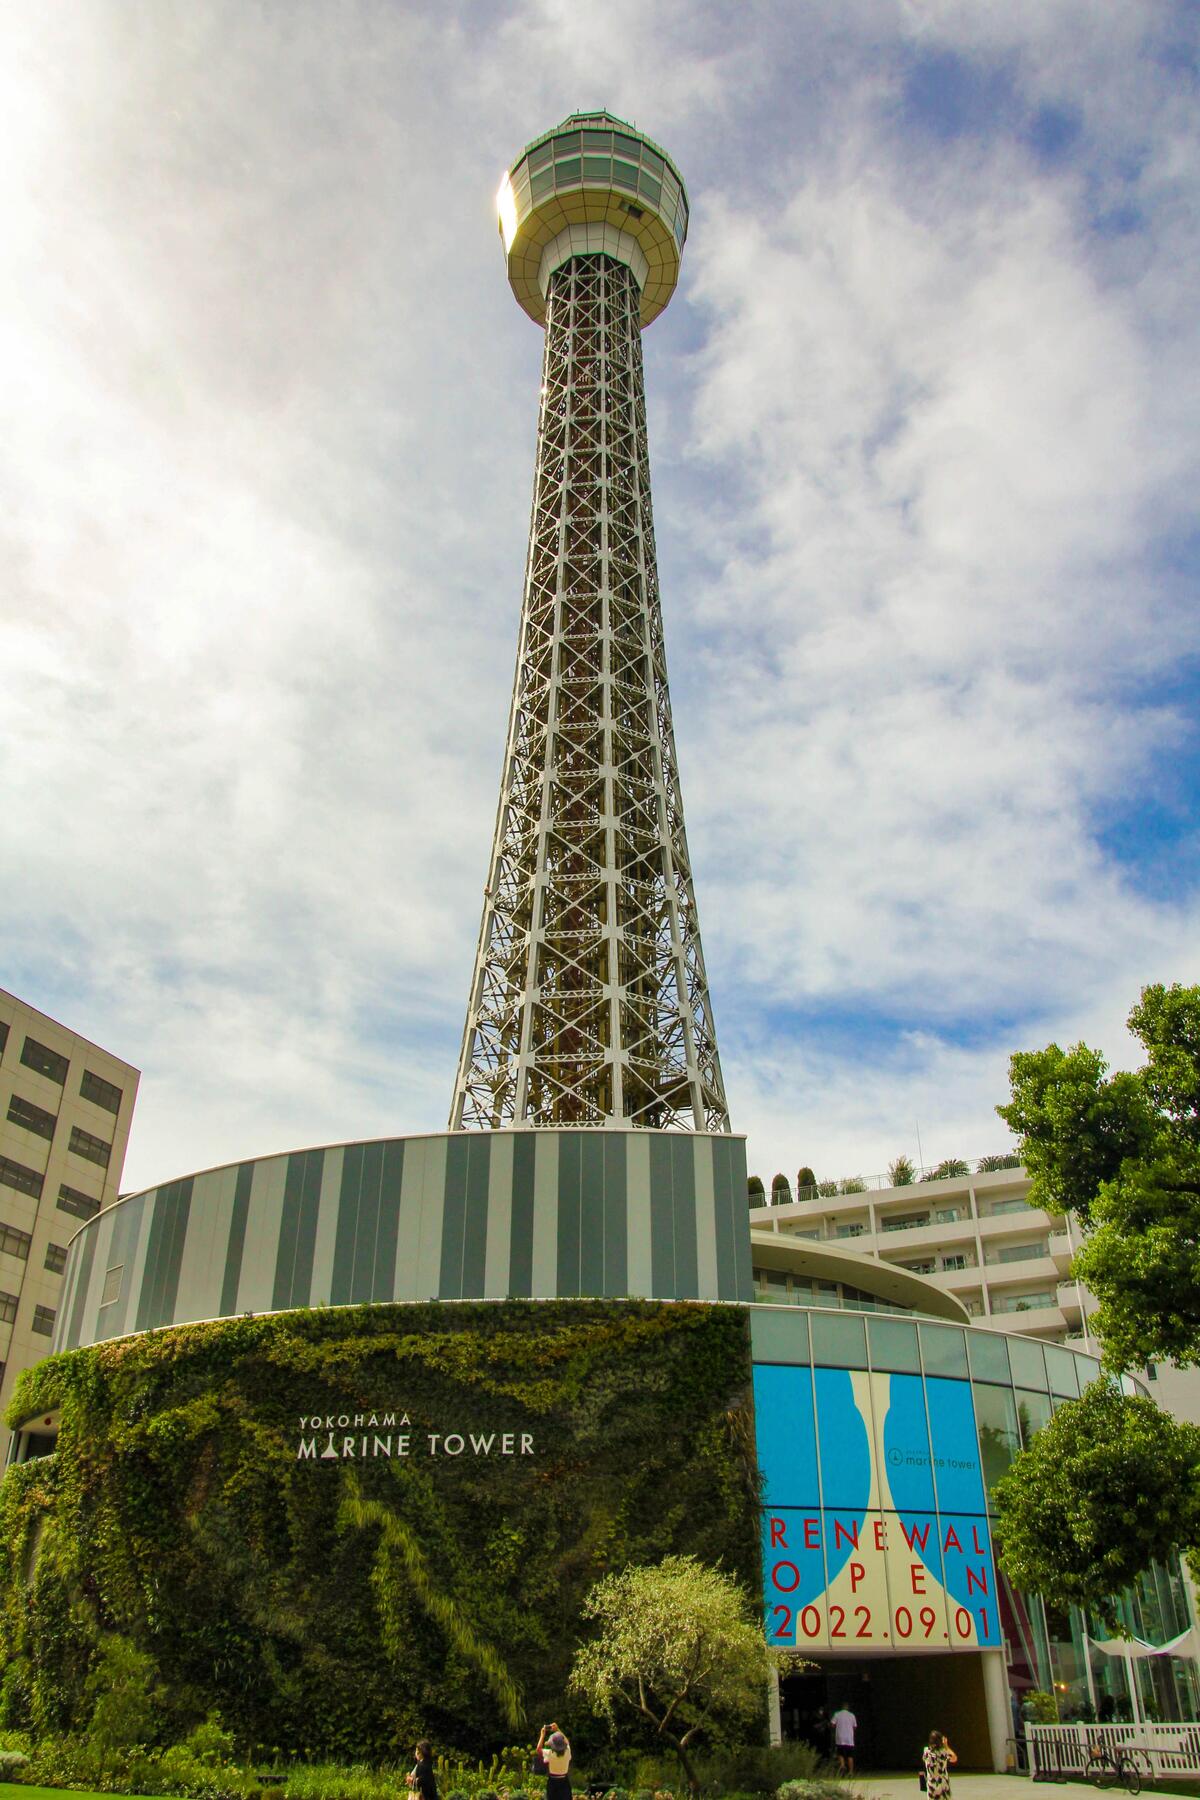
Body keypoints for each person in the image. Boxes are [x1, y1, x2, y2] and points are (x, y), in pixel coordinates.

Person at [533, 1722, 572, 1800]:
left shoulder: (549, 1754)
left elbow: (538, 1749)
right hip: (564, 1781)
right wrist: (558, 1730)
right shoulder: (567, 1752)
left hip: (553, 1782)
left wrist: (542, 1735)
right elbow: (567, 1742)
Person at [923, 1729, 957, 1800]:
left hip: (931, 1784)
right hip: (943, 1784)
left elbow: (924, 1759)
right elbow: (954, 1758)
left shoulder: (926, 1751)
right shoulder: (943, 1752)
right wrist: (946, 1746)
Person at [831, 1704, 857, 1775]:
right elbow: (855, 1726)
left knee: (840, 1753)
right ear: (848, 1708)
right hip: (849, 1739)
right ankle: (851, 1772)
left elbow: (832, 1724)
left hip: (840, 1737)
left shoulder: (837, 1714)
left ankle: (842, 1765)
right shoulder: (852, 1715)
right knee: (850, 1755)